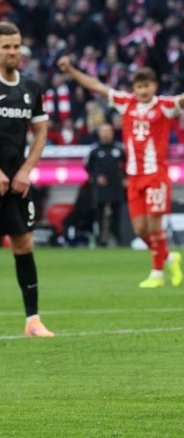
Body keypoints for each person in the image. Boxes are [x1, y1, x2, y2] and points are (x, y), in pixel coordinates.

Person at [57, 55, 184, 288]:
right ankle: (169, 258)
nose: (143, 90)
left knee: (154, 227)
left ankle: (157, 274)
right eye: (139, 86)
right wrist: (71, 70)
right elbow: (96, 85)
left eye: (147, 86)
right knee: (140, 230)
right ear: (134, 88)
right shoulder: (126, 103)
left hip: (155, 175)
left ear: (154, 86)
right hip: (134, 176)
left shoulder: (164, 106)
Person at [0, 21, 54, 337]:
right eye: (6, 46)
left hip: (16, 182)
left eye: (16, 46)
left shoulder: (31, 88)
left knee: (23, 243)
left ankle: (32, 320)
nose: (13, 52)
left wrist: (24, 170)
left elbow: (41, 132)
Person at [84, 123, 127, 246]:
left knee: (117, 213)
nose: (106, 134)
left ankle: (118, 239)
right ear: (99, 133)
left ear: (112, 133)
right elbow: (88, 168)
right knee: (99, 214)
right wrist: (96, 177)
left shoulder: (119, 149)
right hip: (100, 188)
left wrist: (125, 178)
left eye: (108, 131)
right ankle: (100, 240)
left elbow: (127, 165)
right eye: (103, 131)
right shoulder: (94, 150)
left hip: (116, 186)